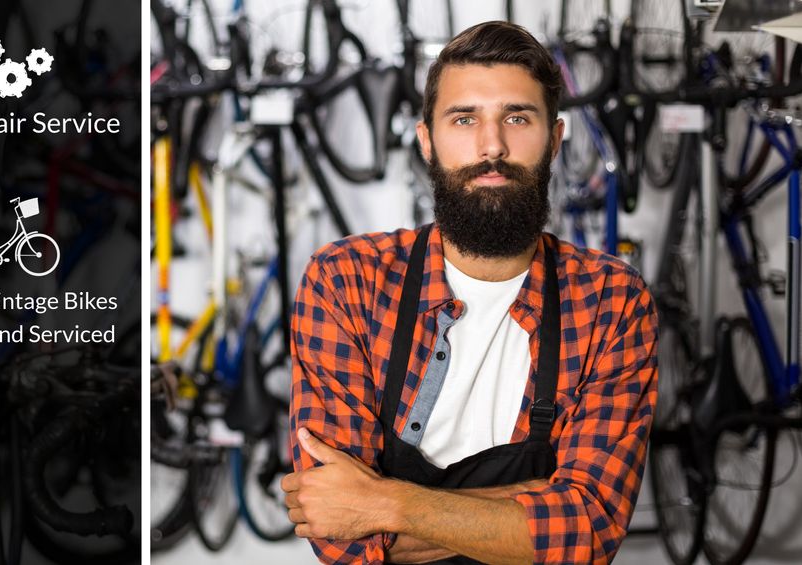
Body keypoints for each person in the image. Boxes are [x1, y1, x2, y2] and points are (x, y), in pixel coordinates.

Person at [281, 20, 658, 565]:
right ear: (427, 142)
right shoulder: (348, 280)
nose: (492, 145)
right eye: (464, 119)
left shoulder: (610, 300)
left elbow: (590, 531)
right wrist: (535, 507)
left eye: (517, 117)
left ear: (554, 140)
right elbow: (339, 535)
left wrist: (385, 503)